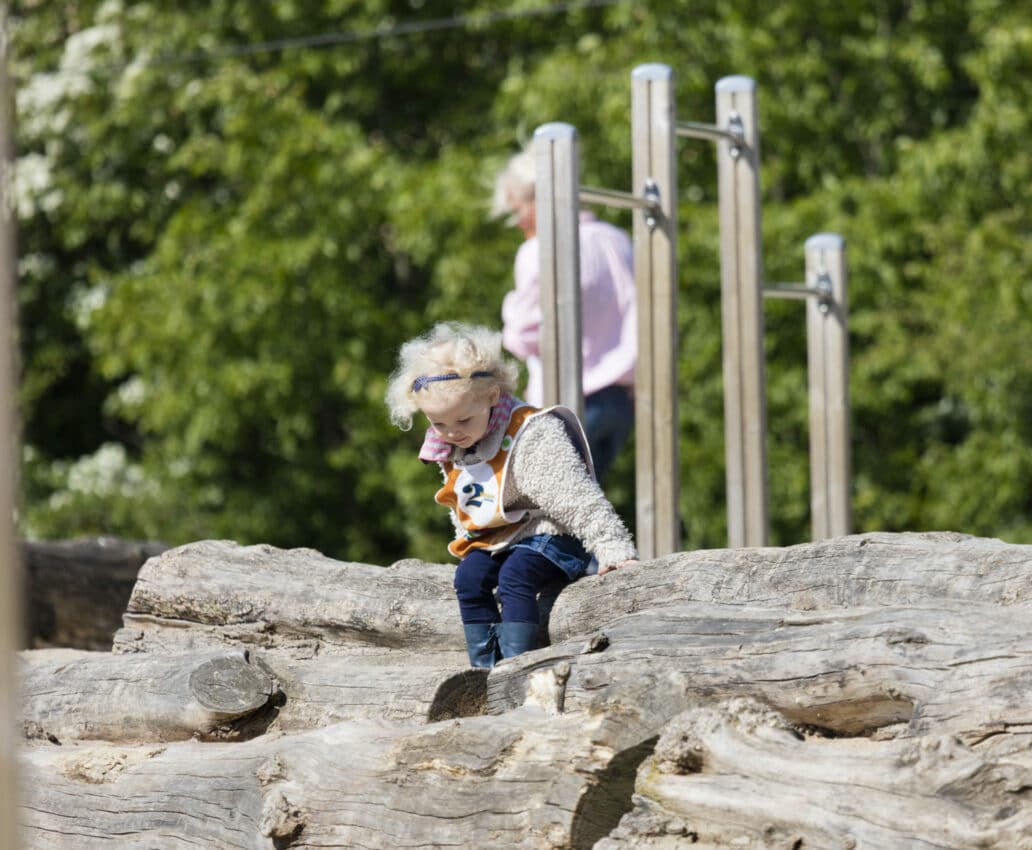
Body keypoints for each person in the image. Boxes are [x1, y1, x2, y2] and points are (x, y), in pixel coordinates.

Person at [385, 322, 638, 668]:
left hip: (552, 534)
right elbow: (468, 503)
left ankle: (518, 666)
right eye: (439, 424)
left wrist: (614, 548)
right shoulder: (453, 442)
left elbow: (577, 498)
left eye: (462, 420)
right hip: (501, 538)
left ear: (491, 396)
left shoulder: (531, 435)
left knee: (514, 577)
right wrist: (470, 542)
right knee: (469, 577)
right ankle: (483, 668)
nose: (452, 433)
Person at [492, 146, 637, 481]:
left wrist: (511, 305)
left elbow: (522, 337)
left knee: (550, 513)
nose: (518, 222)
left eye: (519, 210)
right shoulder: (617, 240)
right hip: (619, 401)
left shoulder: (539, 251)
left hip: (567, 401)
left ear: (537, 199)